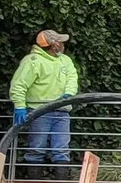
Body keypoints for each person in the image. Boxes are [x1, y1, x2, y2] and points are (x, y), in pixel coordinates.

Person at [9, 29, 78, 171]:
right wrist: (20, 106)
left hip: (62, 111)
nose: (63, 44)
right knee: (37, 149)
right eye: (60, 42)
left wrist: (68, 94)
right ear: (54, 45)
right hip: (39, 112)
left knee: (61, 150)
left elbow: (72, 78)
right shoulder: (32, 62)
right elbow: (19, 85)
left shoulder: (65, 60)